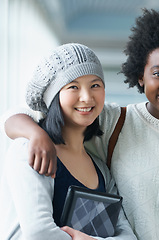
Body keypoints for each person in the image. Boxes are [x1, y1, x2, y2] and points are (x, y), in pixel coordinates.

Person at [2, 5, 159, 240]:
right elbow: (28, 114)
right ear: (141, 75)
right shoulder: (113, 121)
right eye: (158, 74)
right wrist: (34, 134)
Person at [0, 43, 137, 239]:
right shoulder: (29, 150)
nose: (87, 97)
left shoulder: (101, 169)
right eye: (73, 87)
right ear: (53, 96)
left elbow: (127, 236)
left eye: (95, 85)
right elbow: (38, 233)